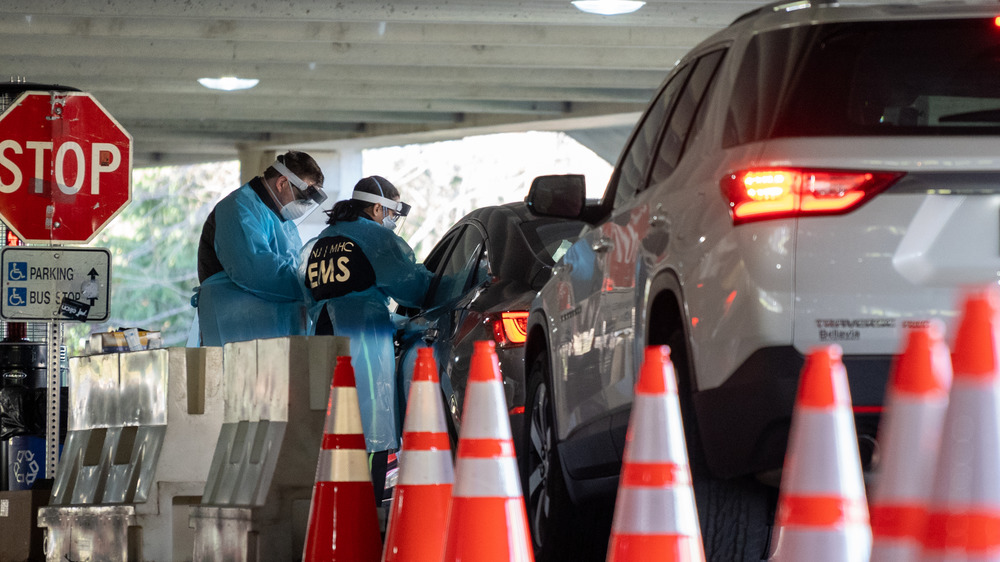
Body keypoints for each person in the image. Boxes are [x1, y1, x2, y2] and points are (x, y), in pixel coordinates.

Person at [299, 175, 432, 503]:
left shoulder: (319, 242)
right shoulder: (374, 238)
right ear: (377, 208)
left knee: (331, 427)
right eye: (392, 213)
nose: (393, 222)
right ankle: (366, 509)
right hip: (364, 342)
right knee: (370, 428)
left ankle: (332, 509)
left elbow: (303, 292)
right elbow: (413, 289)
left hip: (323, 340)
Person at [195, 151, 327, 347]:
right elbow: (258, 271)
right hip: (237, 332)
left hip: (270, 336)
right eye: (303, 196)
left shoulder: (284, 220)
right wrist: (313, 284)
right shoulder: (238, 208)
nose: (304, 205)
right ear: (282, 183)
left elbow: (294, 265)